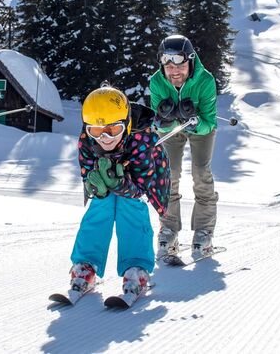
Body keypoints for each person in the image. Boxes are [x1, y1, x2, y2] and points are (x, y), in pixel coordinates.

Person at [67, 85, 170, 297]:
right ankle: (86, 264)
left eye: (113, 130)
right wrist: (98, 187)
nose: (105, 138)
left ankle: (136, 268)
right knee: (100, 206)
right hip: (109, 175)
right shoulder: (87, 139)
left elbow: (141, 186)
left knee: (130, 207)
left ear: (126, 123)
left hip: (142, 177)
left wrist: (119, 184)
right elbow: (88, 170)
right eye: (96, 130)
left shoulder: (143, 137)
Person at [149, 34, 219, 258]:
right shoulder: (157, 82)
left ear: (190, 60)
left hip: (200, 129)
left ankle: (204, 231)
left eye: (178, 62)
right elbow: (156, 120)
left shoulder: (205, 81)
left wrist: (195, 121)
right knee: (169, 173)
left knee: (201, 173)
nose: (174, 71)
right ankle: (169, 229)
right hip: (173, 131)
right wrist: (164, 119)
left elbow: (210, 122)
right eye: (167, 64)